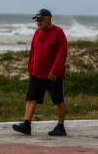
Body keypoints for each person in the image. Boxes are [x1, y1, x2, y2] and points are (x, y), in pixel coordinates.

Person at [12, 8, 68, 136]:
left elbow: (62, 53)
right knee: (31, 98)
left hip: (53, 75)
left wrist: (55, 70)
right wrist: (30, 68)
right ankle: (26, 125)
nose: (38, 22)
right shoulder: (37, 33)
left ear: (49, 19)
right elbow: (33, 52)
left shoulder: (58, 33)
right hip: (36, 74)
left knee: (58, 100)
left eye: (41, 19)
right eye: (37, 20)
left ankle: (60, 126)